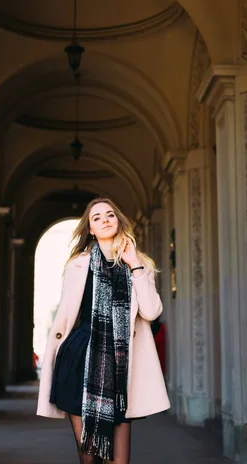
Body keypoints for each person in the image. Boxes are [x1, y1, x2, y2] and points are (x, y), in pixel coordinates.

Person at [37, 198, 170, 464]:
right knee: (89, 458)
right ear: (90, 229)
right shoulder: (77, 265)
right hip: (78, 360)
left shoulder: (139, 263)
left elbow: (152, 312)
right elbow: (67, 316)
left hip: (121, 365)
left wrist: (134, 264)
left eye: (110, 215)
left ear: (118, 220)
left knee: (119, 460)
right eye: (96, 218)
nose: (105, 220)